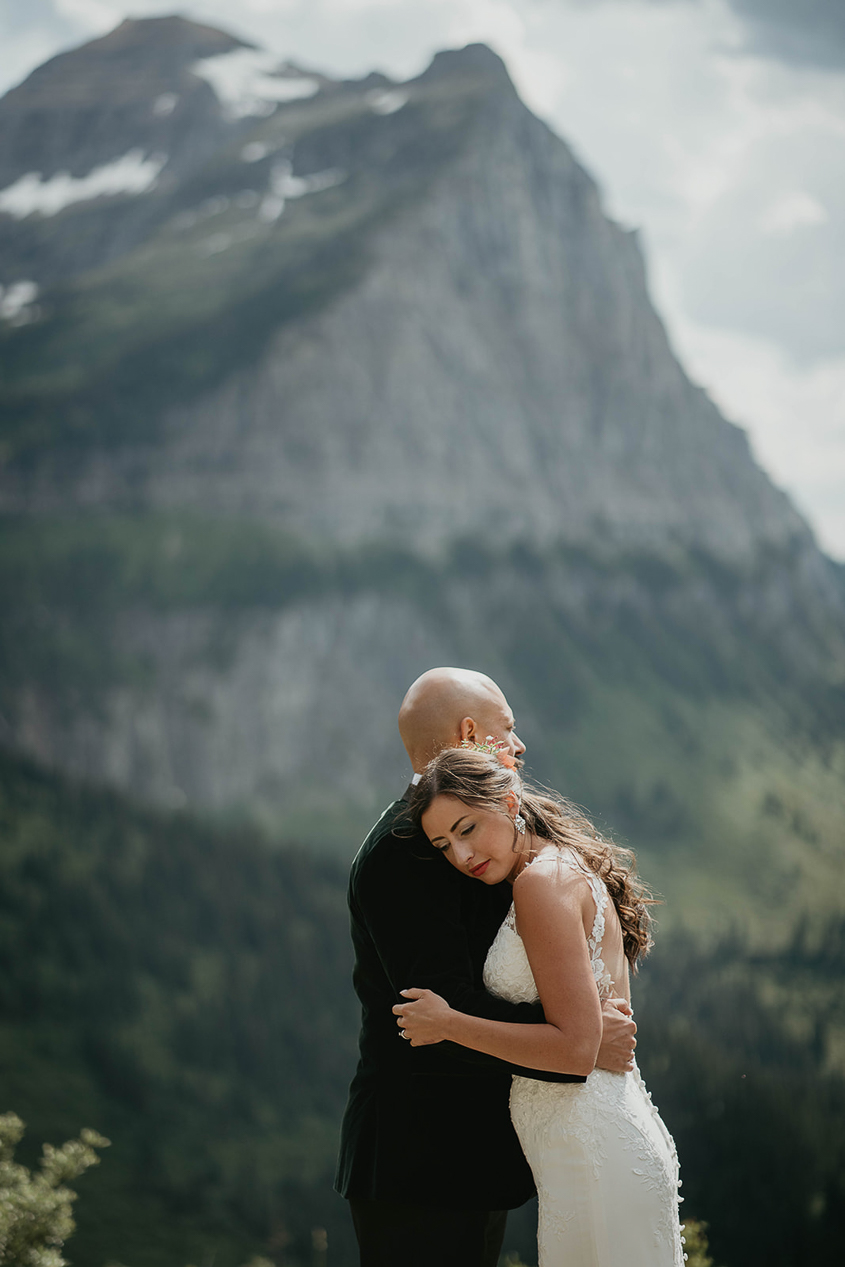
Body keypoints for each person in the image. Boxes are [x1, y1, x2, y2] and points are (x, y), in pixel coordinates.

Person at [335, 667, 638, 1267]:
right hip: (420, 1164)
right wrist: (580, 1037)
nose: (520, 744)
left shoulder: (481, 832)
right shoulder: (404, 851)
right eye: (510, 726)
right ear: (471, 732)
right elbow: (434, 1008)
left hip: (470, 1159)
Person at [393, 743, 684, 1267]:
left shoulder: (539, 885)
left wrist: (449, 1023)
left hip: (592, 1156)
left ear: (508, 805)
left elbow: (576, 1050)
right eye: (443, 845)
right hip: (592, 1148)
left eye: (466, 830)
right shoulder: (557, 868)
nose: (461, 856)